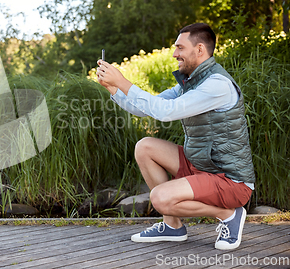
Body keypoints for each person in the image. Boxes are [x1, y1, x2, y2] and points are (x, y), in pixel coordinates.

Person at [96, 23, 254, 250]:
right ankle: (172, 226)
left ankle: (229, 213)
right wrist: (114, 89)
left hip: (229, 180)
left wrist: (122, 80)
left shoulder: (217, 85)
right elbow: (147, 108)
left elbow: (165, 112)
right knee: (145, 147)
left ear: (200, 50)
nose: (174, 53)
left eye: (180, 47)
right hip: (203, 166)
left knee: (160, 198)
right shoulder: (190, 83)